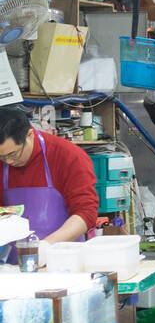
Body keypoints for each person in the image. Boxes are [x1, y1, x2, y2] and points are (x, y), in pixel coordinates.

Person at [0, 106, 98, 254]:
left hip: (62, 257)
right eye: (2, 157)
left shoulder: (68, 156)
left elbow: (85, 213)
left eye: (13, 154)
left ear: (29, 135)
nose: (8, 161)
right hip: (12, 263)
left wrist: (46, 246)